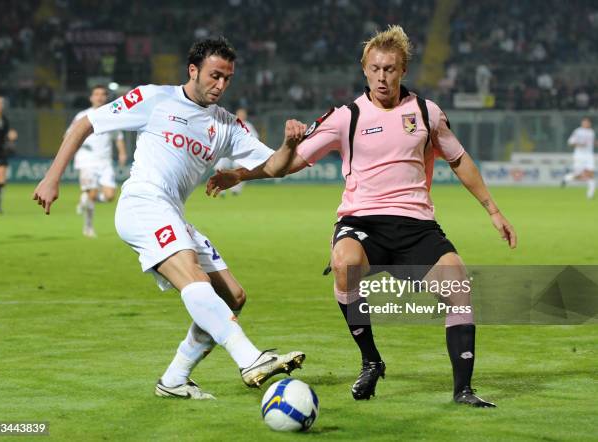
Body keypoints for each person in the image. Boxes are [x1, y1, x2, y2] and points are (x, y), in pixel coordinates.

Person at [207, 26, 517, 407]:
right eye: (375, 69)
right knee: (344, 262)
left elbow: (459, 160)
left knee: (459, 287)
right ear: (364, 69)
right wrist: (241, 173)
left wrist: (493, 210)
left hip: (416, 225)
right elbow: (286, 165)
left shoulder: (426, 112)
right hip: (362, 222)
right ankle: (371, 360)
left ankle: (463, 391)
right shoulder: (345, 117)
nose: (382, 77)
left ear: (403, 70)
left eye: (390, 69)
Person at [33, 37, 306, 399]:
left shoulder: (225, 124)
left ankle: (175, 379)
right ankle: (249, 358)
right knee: (193, 275)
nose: (220, 85)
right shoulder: (154, 98)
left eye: (227, 78)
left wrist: (284, 147)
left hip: (172, 211)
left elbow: (275, 165)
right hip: (142, 203)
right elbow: (86, 122)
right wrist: (52, 176)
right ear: (193, 70)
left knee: (232, 296)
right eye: (214, 75)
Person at [71, 85, 128, 237]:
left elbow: (119, 138)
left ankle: (85, 199)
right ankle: (88, 227)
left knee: (109, 196)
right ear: (91, 98)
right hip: (86, 160)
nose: (99, 97)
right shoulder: (82, 116)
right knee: (93, 191)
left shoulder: (111, 115)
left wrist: (122, 153)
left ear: (106, 97)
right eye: (96, 94)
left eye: (102, 94)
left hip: (105, 162)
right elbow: (69, 135)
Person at [213, 107, 258, 196]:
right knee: (220, 169)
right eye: (240, 114)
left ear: (245, 115)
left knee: (239, 170)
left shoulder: (248, 126)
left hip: (240, 151)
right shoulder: (230, 124)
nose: (241, 115)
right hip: (226, 150)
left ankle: (235, 190)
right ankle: (221, 189)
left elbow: (255, 138)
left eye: (243, 114)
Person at [561, 117, 595, 199]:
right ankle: (567, 178)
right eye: (584, 122)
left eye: (587, 122)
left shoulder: (591, 132)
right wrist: (580, 144)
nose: (586, 124)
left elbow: (590, 143)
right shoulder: (578, 131)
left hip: (589, 156)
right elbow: (570, 142)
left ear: (589, 124)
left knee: (591, 175)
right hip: (579, 156)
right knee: (578, 175)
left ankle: (590, 195)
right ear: (582, 123)